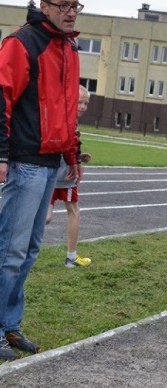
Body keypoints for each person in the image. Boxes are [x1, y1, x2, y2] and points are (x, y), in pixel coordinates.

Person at [0, 0, 82, 360]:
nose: (70, 12)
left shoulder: (68, 47)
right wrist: (2, 155)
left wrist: (72, 152)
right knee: (10, 251)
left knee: (29, 251)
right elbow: (2, 99)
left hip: (51, 163)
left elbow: (66, 107)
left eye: (75, 6)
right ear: (45, 7)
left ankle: (9, 326)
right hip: (26, 161)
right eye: (63, 5)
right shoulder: (21, 43)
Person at [46, 85, 92, 268]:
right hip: (65, 174)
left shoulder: (59, 115)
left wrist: (79, 157)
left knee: (46, 216)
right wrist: (76, 163)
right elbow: (69, 146)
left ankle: (15, 249)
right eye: (79, 102)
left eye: (86, 103)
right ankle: (71, 257)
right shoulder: (70, 119)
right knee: (74, 211)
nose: (82, 106)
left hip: (50, 170)